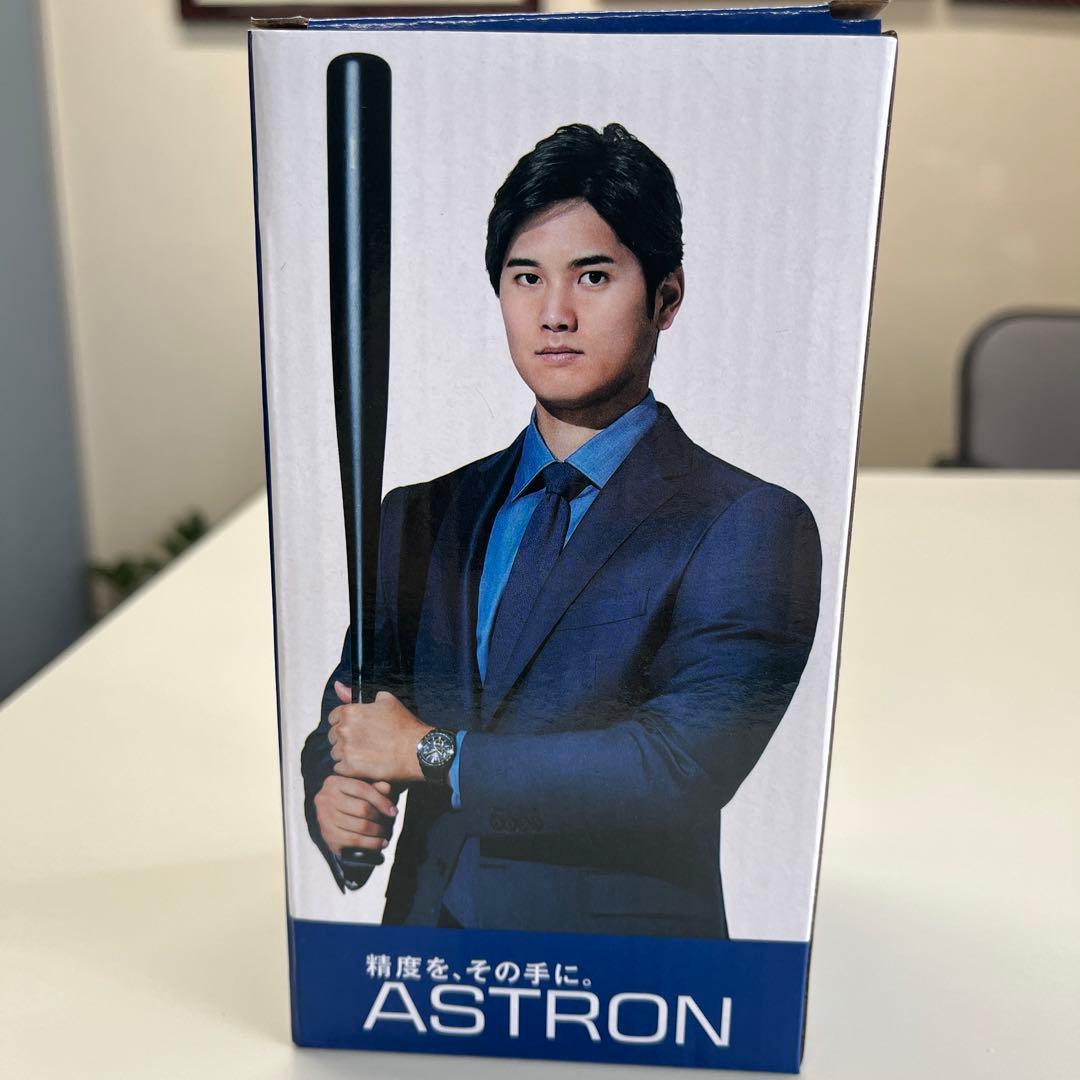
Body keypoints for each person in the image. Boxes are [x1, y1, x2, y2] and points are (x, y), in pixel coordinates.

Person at [301, 122, 822, 938]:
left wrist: (431, 754)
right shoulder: (418, 516)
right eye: (526, 278)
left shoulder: (748, 524)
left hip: (620, 978)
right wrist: (336, 799)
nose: (554, 314)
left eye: (593, 276)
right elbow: (360, 716)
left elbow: (678, 766)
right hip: (427, 963)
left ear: (666, 298)